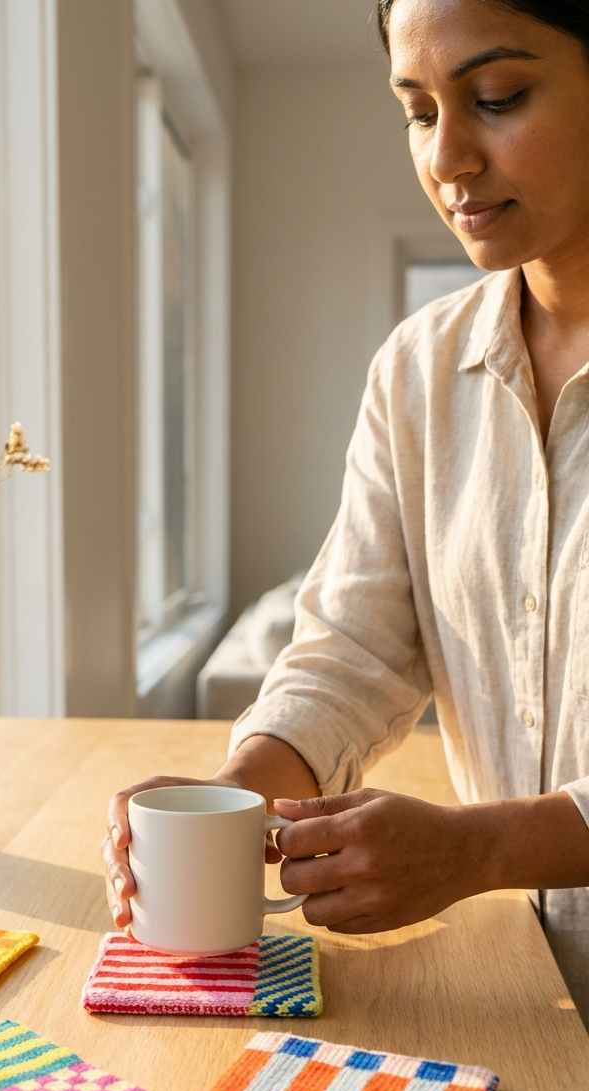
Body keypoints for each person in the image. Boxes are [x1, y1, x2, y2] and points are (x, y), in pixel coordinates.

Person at [103, 0, 589, 1026]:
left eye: (498, 97)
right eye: (417, 110)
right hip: (521, 997)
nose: (448, 155)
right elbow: (353, 651)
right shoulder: (419, 372)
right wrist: (238, 796)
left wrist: (482, 846)